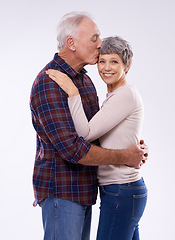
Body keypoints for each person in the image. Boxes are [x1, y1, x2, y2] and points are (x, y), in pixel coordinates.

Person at [30, 11, 148, 240]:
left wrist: (135, 145)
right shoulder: (49, 83)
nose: (100, 43)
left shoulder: (84, 80)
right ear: (71, 43)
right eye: (94, 38)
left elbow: (96, 132)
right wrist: (125, 155)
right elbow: (73, 149)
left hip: (87, 190)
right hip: (62, 193)